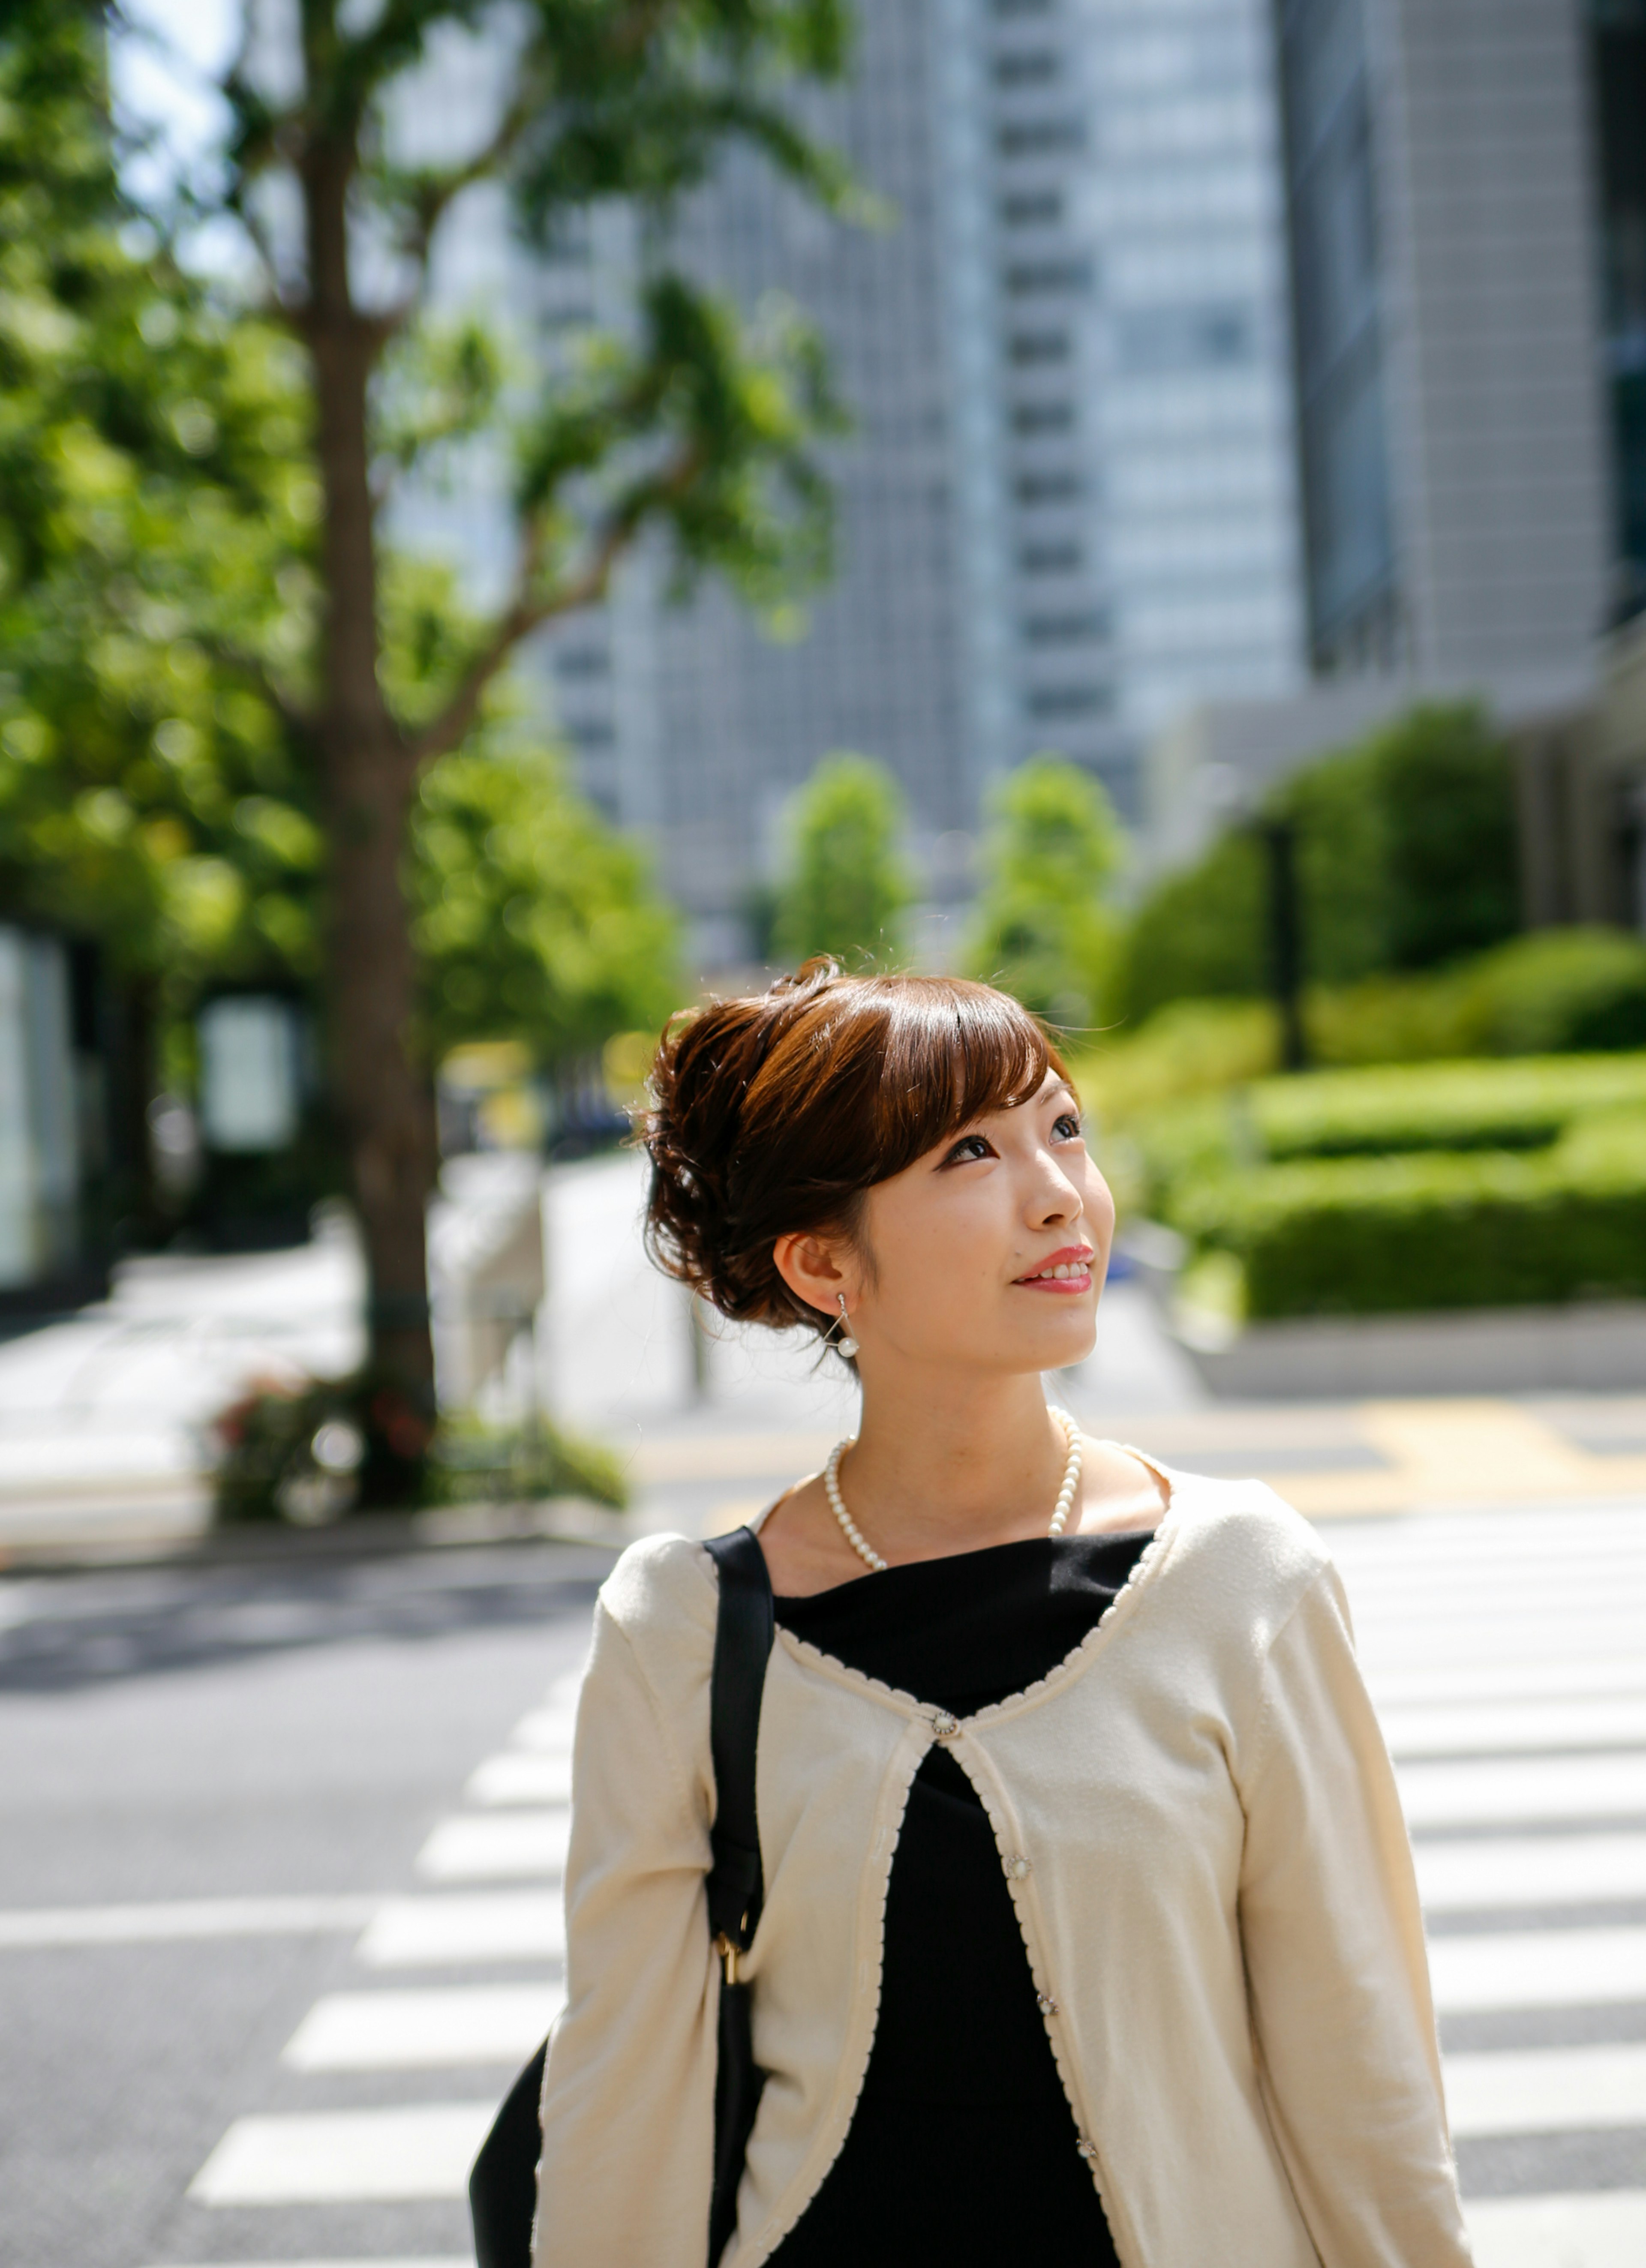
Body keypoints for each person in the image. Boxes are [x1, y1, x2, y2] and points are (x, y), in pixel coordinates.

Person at [532, 963, 1472, 2268]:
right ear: (823, 1264)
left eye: (1065, 1130)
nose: (1059, 1195)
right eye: (972, 1152)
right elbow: (620, 2090)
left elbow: (1357, 2057)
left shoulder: (1241, 1578)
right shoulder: (683, 1630)